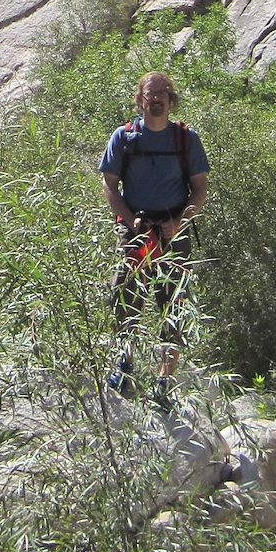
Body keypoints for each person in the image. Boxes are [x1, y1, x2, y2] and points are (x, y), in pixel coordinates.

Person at [98, 70, 209, 406]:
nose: (157, 98)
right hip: (137, 230)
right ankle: (125, 365)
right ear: (140, 99)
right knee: (126, 298)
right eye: (151, 93)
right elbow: (109, 185)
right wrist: (131, 223)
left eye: (163, 92)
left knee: (174, 304)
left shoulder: (185, 139)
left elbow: (200, 189)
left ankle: (164, 382)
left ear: (170, 99)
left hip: (174, 231)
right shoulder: (124, 137)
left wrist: (178, 222)